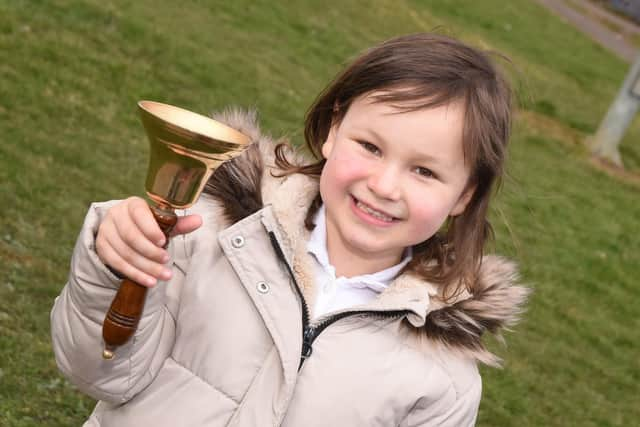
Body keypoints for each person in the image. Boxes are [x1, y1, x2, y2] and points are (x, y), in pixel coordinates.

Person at [51, 33, 529, 426]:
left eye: (424, 172)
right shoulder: (209, 231)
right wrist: (113, 270)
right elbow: (102, 373)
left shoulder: (443, 379)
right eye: (370, 146)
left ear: (465, 195)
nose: (384, 186)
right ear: (333, 130)